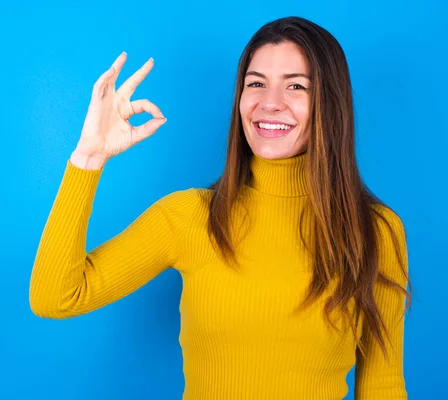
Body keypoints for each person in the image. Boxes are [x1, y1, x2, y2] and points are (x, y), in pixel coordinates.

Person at [29, 16, 412, 399]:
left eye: (296, 86)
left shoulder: (376, 230)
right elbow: (55, 297)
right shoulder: (188, 217)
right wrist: (88, 157)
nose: (270, 103)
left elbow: (382, 384)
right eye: (256, 84)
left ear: (330, 103)